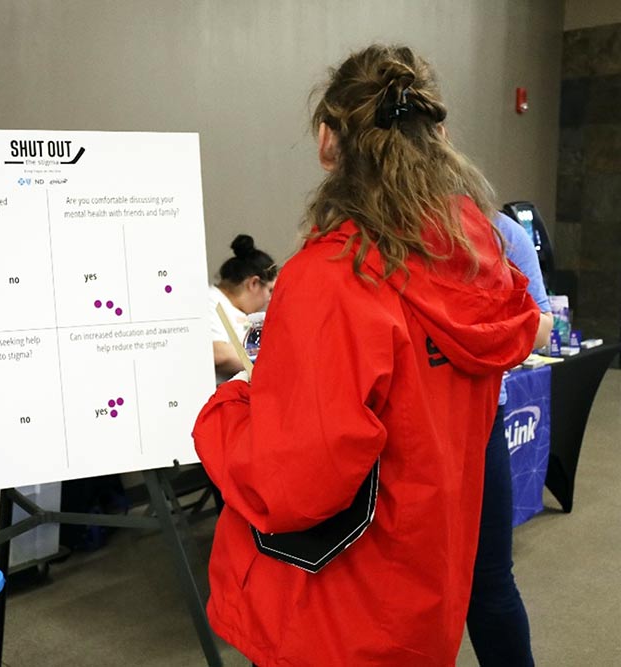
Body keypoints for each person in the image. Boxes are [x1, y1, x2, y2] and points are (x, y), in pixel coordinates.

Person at [193, 44, 539, 666]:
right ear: (440, 136)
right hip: (424, 597)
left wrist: (225, 411)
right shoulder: (477, 260)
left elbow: (292, 484)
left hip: (340, 613)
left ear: (329, 142)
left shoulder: (332, 277)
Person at [466, 211, 553, 666]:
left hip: (479, 417)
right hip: (399, 422)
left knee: (489, 579)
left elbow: (540, 325)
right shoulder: (373, 222)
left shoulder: (498, 230)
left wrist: (486, 326)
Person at [209, 235, 278, 383]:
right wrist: (270, 362)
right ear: (253, 283)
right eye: (270, 291)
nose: (270, 299)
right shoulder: (211, 301)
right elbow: (219, 353)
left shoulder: (242, 311)